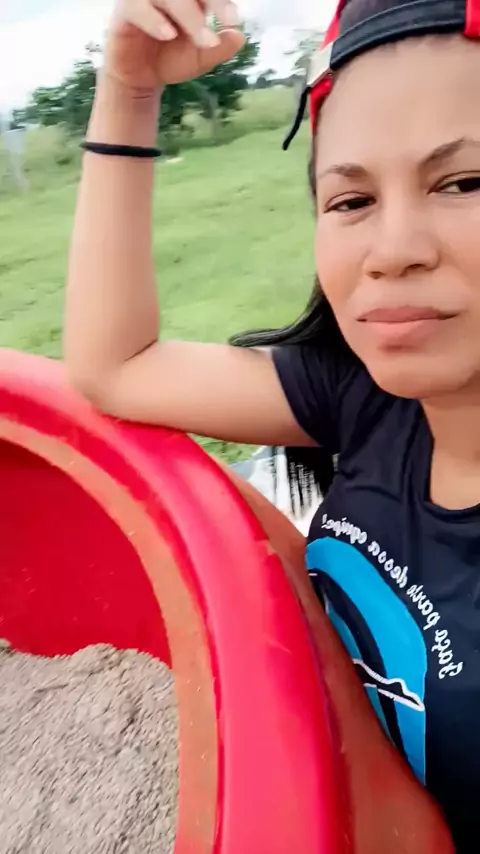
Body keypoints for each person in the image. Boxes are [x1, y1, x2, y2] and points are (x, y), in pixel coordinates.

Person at [64, 0, 480, 848]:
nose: (392, 249)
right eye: (352, 199)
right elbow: (116, 367)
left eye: (464, 183)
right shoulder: (368, 397)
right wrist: (129, 92)